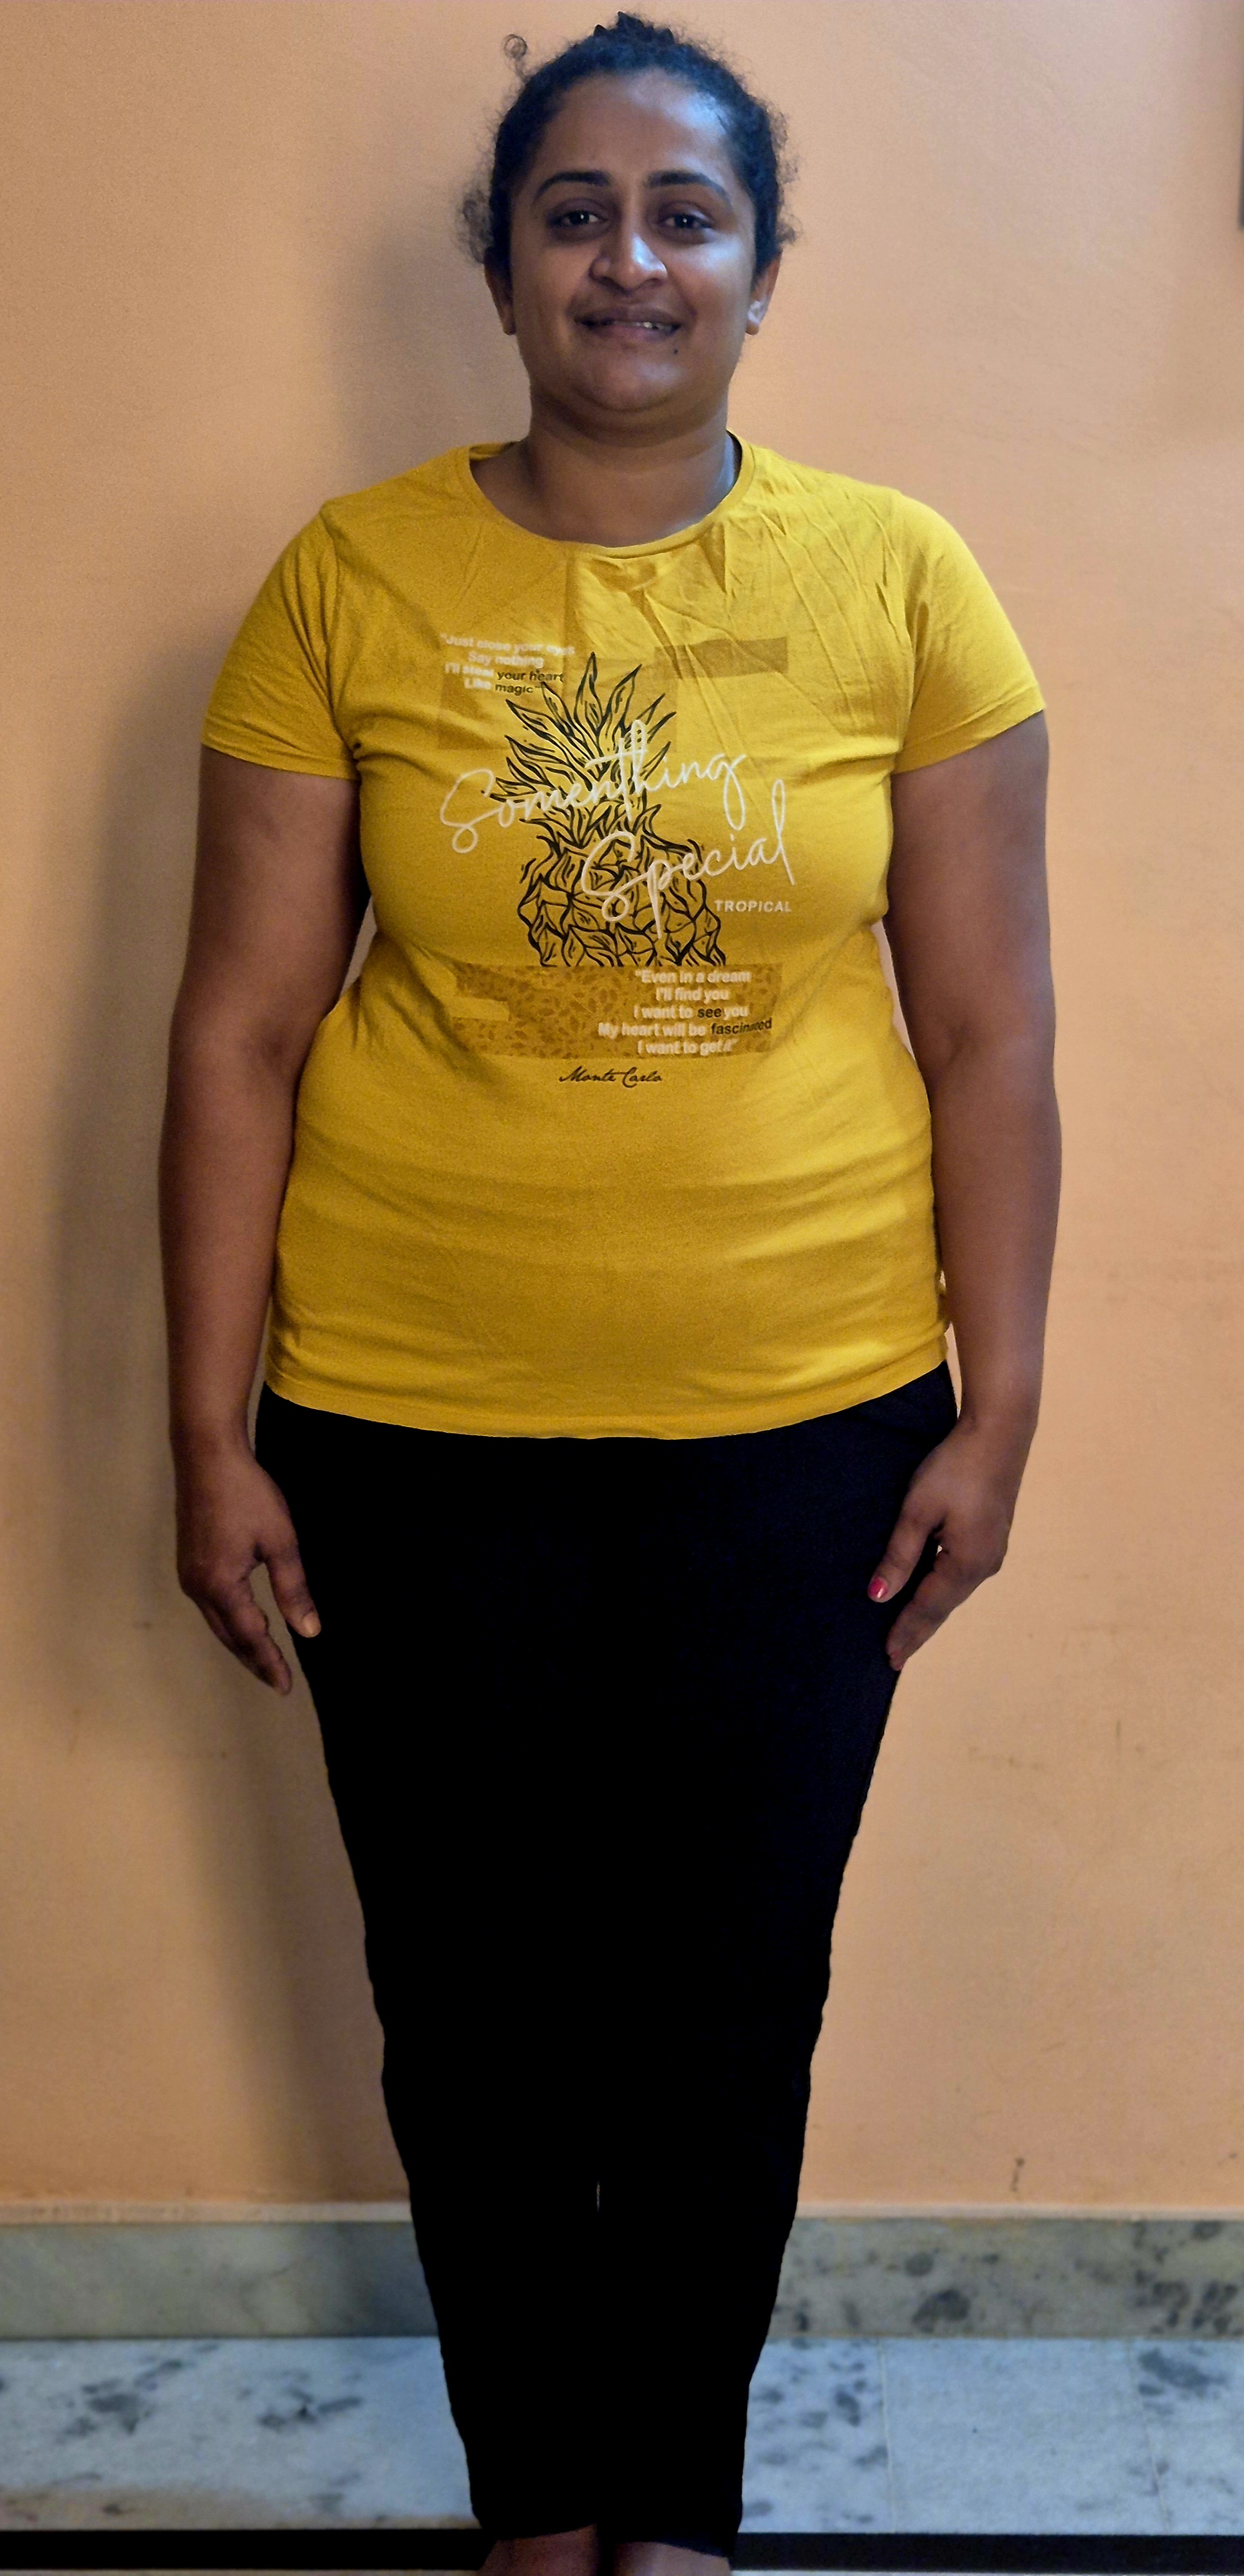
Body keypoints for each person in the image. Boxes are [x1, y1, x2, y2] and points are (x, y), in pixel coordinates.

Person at [160, 14, 1058, 2575]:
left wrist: (1001, 1403)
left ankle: (671, 2516)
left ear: (760, 272)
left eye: (685, 214)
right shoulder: (348, 580)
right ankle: (533, 2514)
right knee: (466, 2011)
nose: (630, 258)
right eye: (575, 212)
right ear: (504, 269)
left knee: (723, 2002)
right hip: (403, 1425)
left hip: (807, 1426)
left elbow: (993, 1032)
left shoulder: (902, 581)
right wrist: (206, 1432)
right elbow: (234, 1034)